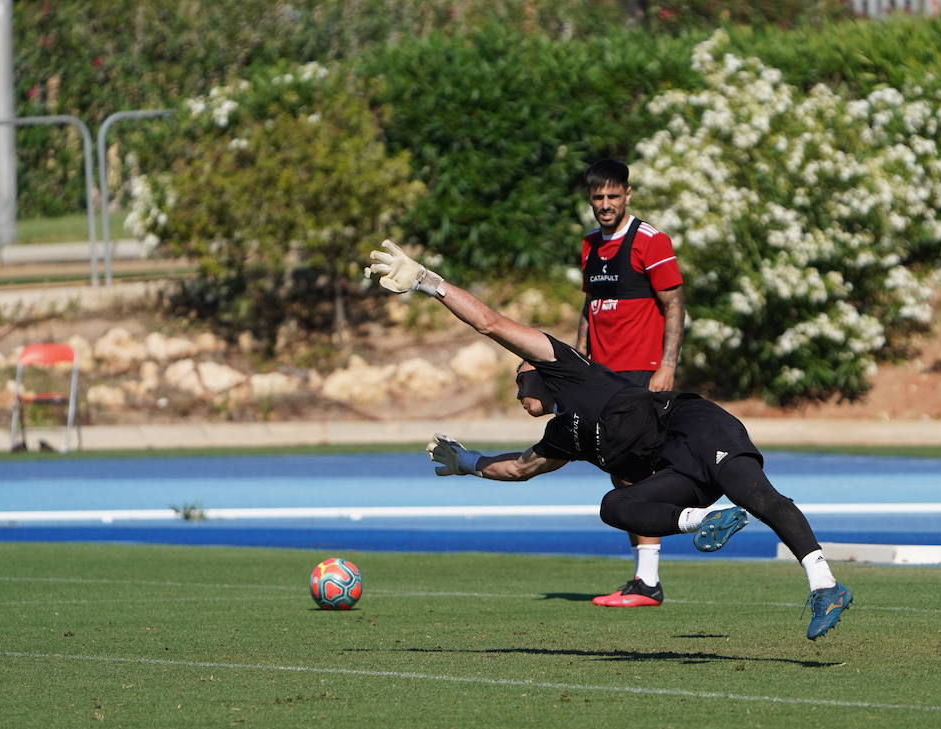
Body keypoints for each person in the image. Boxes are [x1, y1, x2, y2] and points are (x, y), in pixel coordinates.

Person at [365, 239, 852, 640]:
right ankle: (703, 520)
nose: (517, 391)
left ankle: (824, 585)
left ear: (540, 370)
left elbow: (488, 323)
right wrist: (467, 462)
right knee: (615, 506)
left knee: (757, 495)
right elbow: (519, 468)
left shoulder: (569, 368)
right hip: (676, 467)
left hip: (694, 425)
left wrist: (428, 282)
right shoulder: (562, 435)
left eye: (520, 379)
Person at [576, 159, 686, 609]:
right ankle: (643, 578)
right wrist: (579, 362)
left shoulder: (650, 240)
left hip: (642, 373)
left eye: (613, 196)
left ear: (628, 195)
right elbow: (590, 307)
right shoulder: (589, 245)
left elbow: (674, 304)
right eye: (598, 197)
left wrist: (667, 366)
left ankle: (649, 580)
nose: (605, 204)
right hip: (603, 377)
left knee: (636, 473)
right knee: (620, 473)